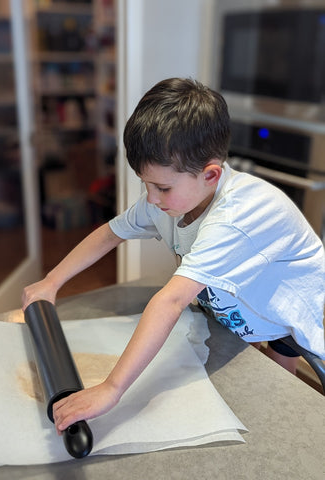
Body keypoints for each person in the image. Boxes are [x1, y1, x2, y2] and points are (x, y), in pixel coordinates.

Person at [22, 77, 325, 436]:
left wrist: (111, 389)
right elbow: (109, 234)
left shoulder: (236, 216)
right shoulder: (166, 202)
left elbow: (171, 300)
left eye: (162, 187)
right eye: (145, 183)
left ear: (210, 175)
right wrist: (51, 282)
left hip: (307, 316)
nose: (151, 198)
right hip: (266, 309)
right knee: (277, 402)